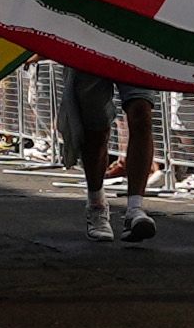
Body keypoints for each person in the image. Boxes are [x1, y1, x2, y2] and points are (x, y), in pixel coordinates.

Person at [60, 60, 158, 241]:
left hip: (132, 45)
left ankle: (135, 208)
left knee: (141, 114)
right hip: (91, 45)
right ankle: (96, 203)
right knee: (96, 131)